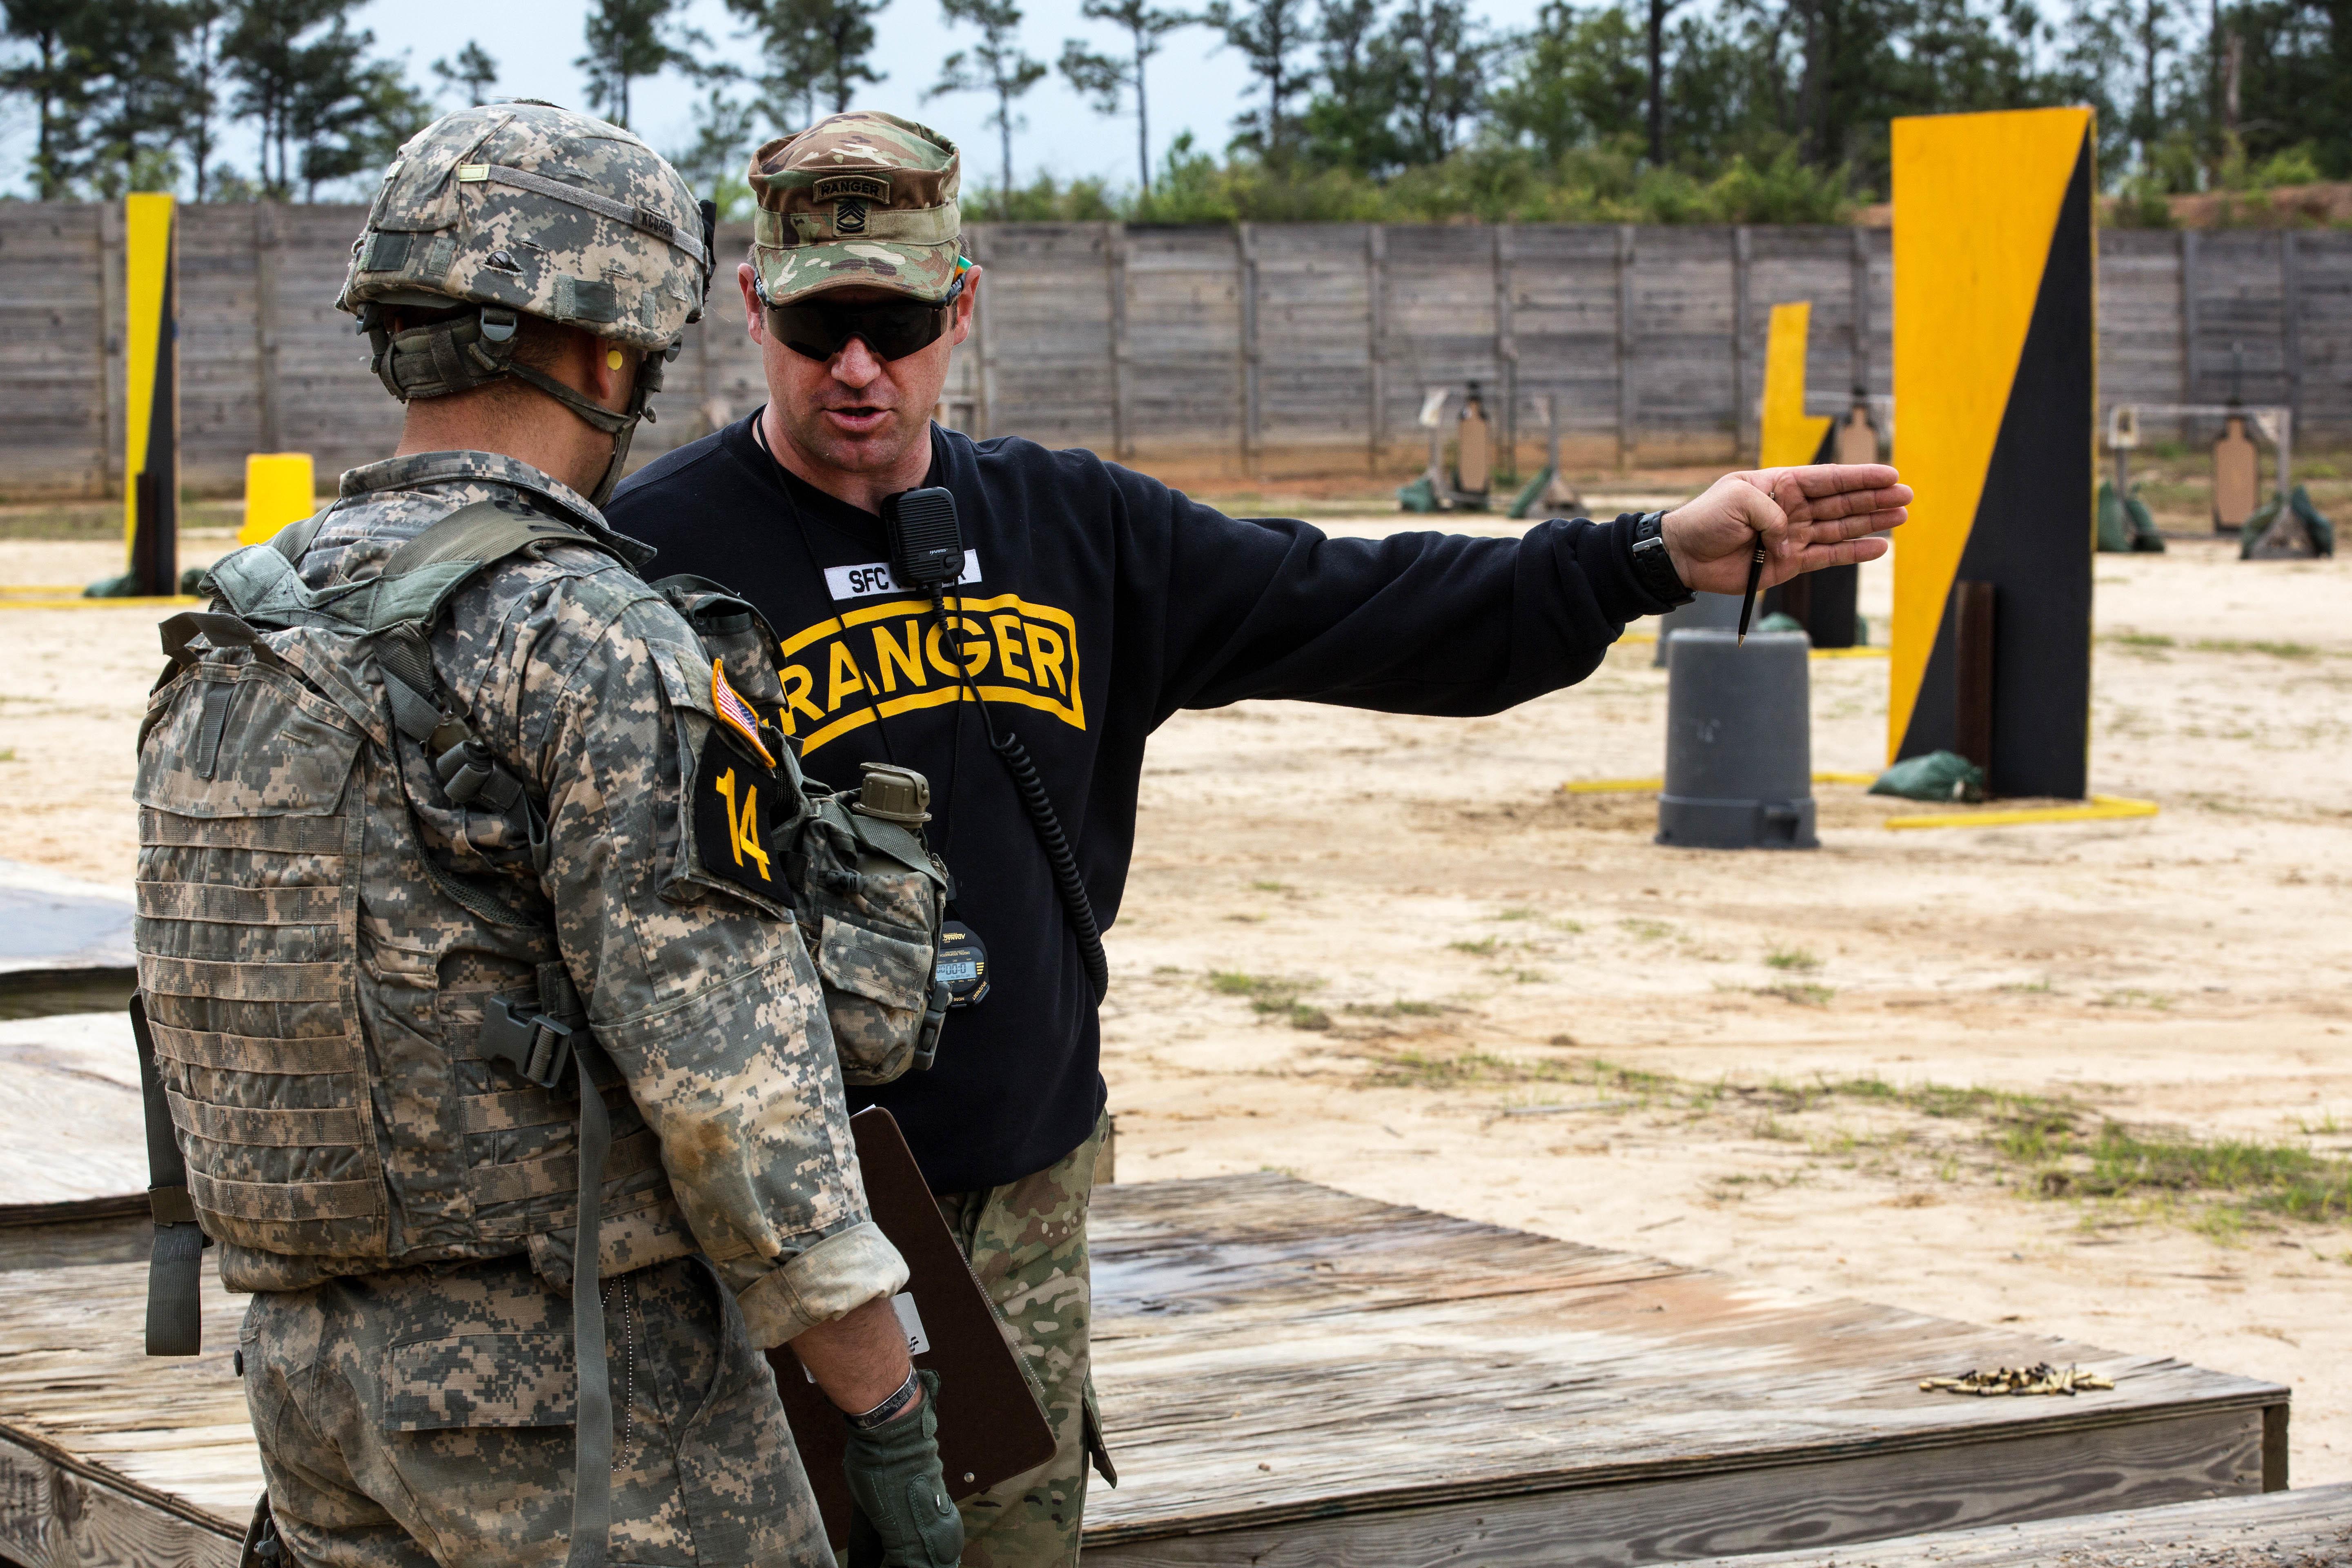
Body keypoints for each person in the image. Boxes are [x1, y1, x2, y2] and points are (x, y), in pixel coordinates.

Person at [608, 109, 1909, 1568]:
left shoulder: (1073, 530)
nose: (859, 368)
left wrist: (1642, 559)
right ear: (753, 310)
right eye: (819, 326)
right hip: (759, 1231)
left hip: (1021, 1209)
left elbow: (1361, 603)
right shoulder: (648, 554)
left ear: (960, 306)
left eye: (897, 323)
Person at [132, 102, 961, 1568]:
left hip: (312, 1400)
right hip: (581, 1416)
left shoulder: (245, 626)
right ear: (605, 353)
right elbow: (738, 1099)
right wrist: (885, 1409)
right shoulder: (591, 641)